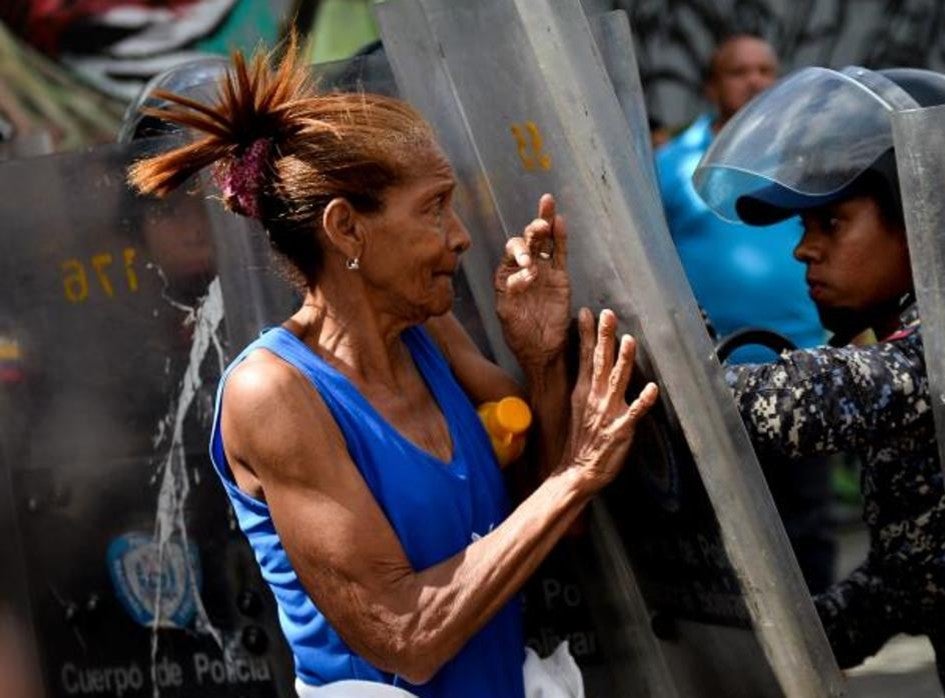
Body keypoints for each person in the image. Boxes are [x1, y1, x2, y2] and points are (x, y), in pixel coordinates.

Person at [127, 42, 659, 698]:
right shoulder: (271, 392)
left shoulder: (429, 331)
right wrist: (578, 472)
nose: (460, 235)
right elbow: (407, 637)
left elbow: (548, 522)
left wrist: (542, 361)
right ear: (347, 229)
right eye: (434, 207)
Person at [694, 65, 945, 697]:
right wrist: (767, 644)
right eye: (804, 227)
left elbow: (790, 405)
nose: (804, 249)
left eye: (831, 224)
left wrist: (662, 364)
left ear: (922, 217)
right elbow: (906, 579)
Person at [654, 34, 825, 364]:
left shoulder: (806, 160)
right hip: (706, 366)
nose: (755, 81)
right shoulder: (670, 164)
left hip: (807, 362)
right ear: (711, 87)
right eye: (738, 72)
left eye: (765, 71)